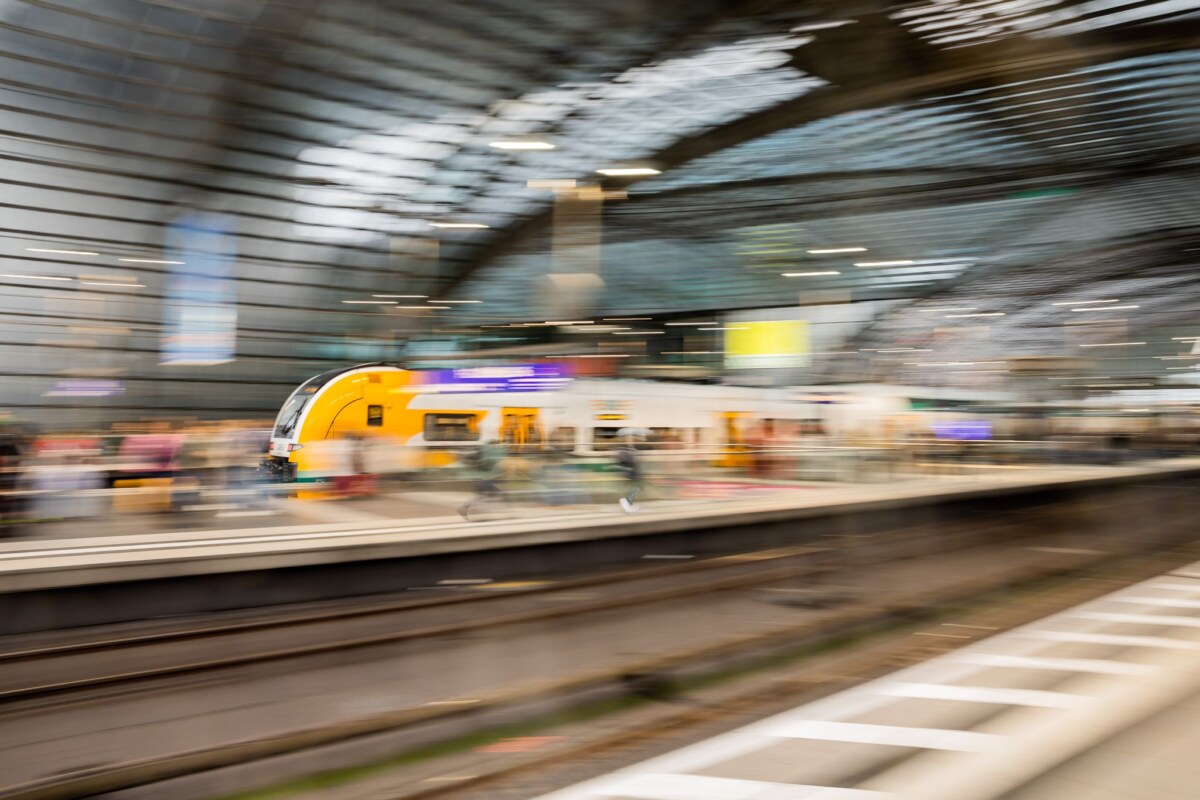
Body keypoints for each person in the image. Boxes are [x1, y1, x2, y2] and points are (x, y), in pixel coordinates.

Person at [459, 439, 507, 520]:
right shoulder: (489, 456)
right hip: (485, 479)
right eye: (496, 445)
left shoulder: (484, 454)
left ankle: (468, 507)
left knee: (485, 495)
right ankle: (472, 509)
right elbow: (491, 467)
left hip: (482, 479)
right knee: (492, 494)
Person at [616, 436, 642, 513]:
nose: (631, 441)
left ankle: (628, 502)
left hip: (632, 471)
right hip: (630, 471)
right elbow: (627, 460)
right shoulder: (625, 450)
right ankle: (627, 501)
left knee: (636, 487)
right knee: (637, 487)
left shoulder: (630, 449)